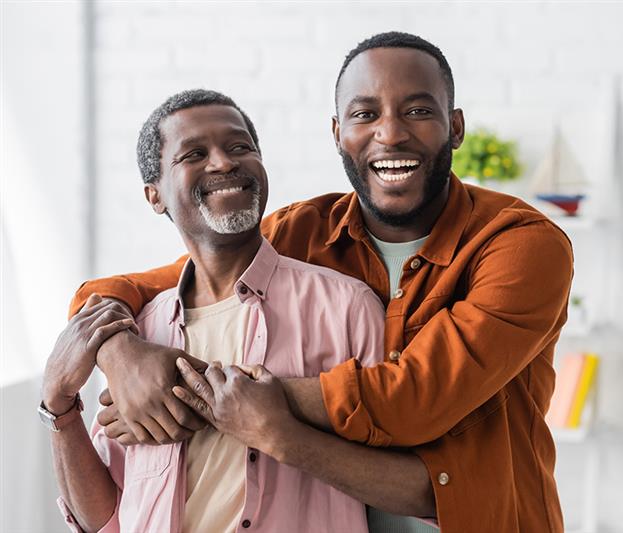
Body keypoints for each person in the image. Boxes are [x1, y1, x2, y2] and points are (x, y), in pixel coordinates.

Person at [69, 32, 574, 532]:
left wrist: (198, 391)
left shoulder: (521, 245)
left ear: (455, 127)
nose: (390, 133)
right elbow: (120, 289)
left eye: (418, 111)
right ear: (337, 133)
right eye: (365, 114)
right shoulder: (303, 231)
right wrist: (122, 355)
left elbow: (413, 401)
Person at [42, 89, 437, 533]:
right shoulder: (140, 334)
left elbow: (412, 483)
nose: (224, 163)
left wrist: (277, 430)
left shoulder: (347, 308)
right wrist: (59, 407)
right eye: (194, 153)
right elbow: (107, 519)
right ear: (155, 196)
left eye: (240, 147)